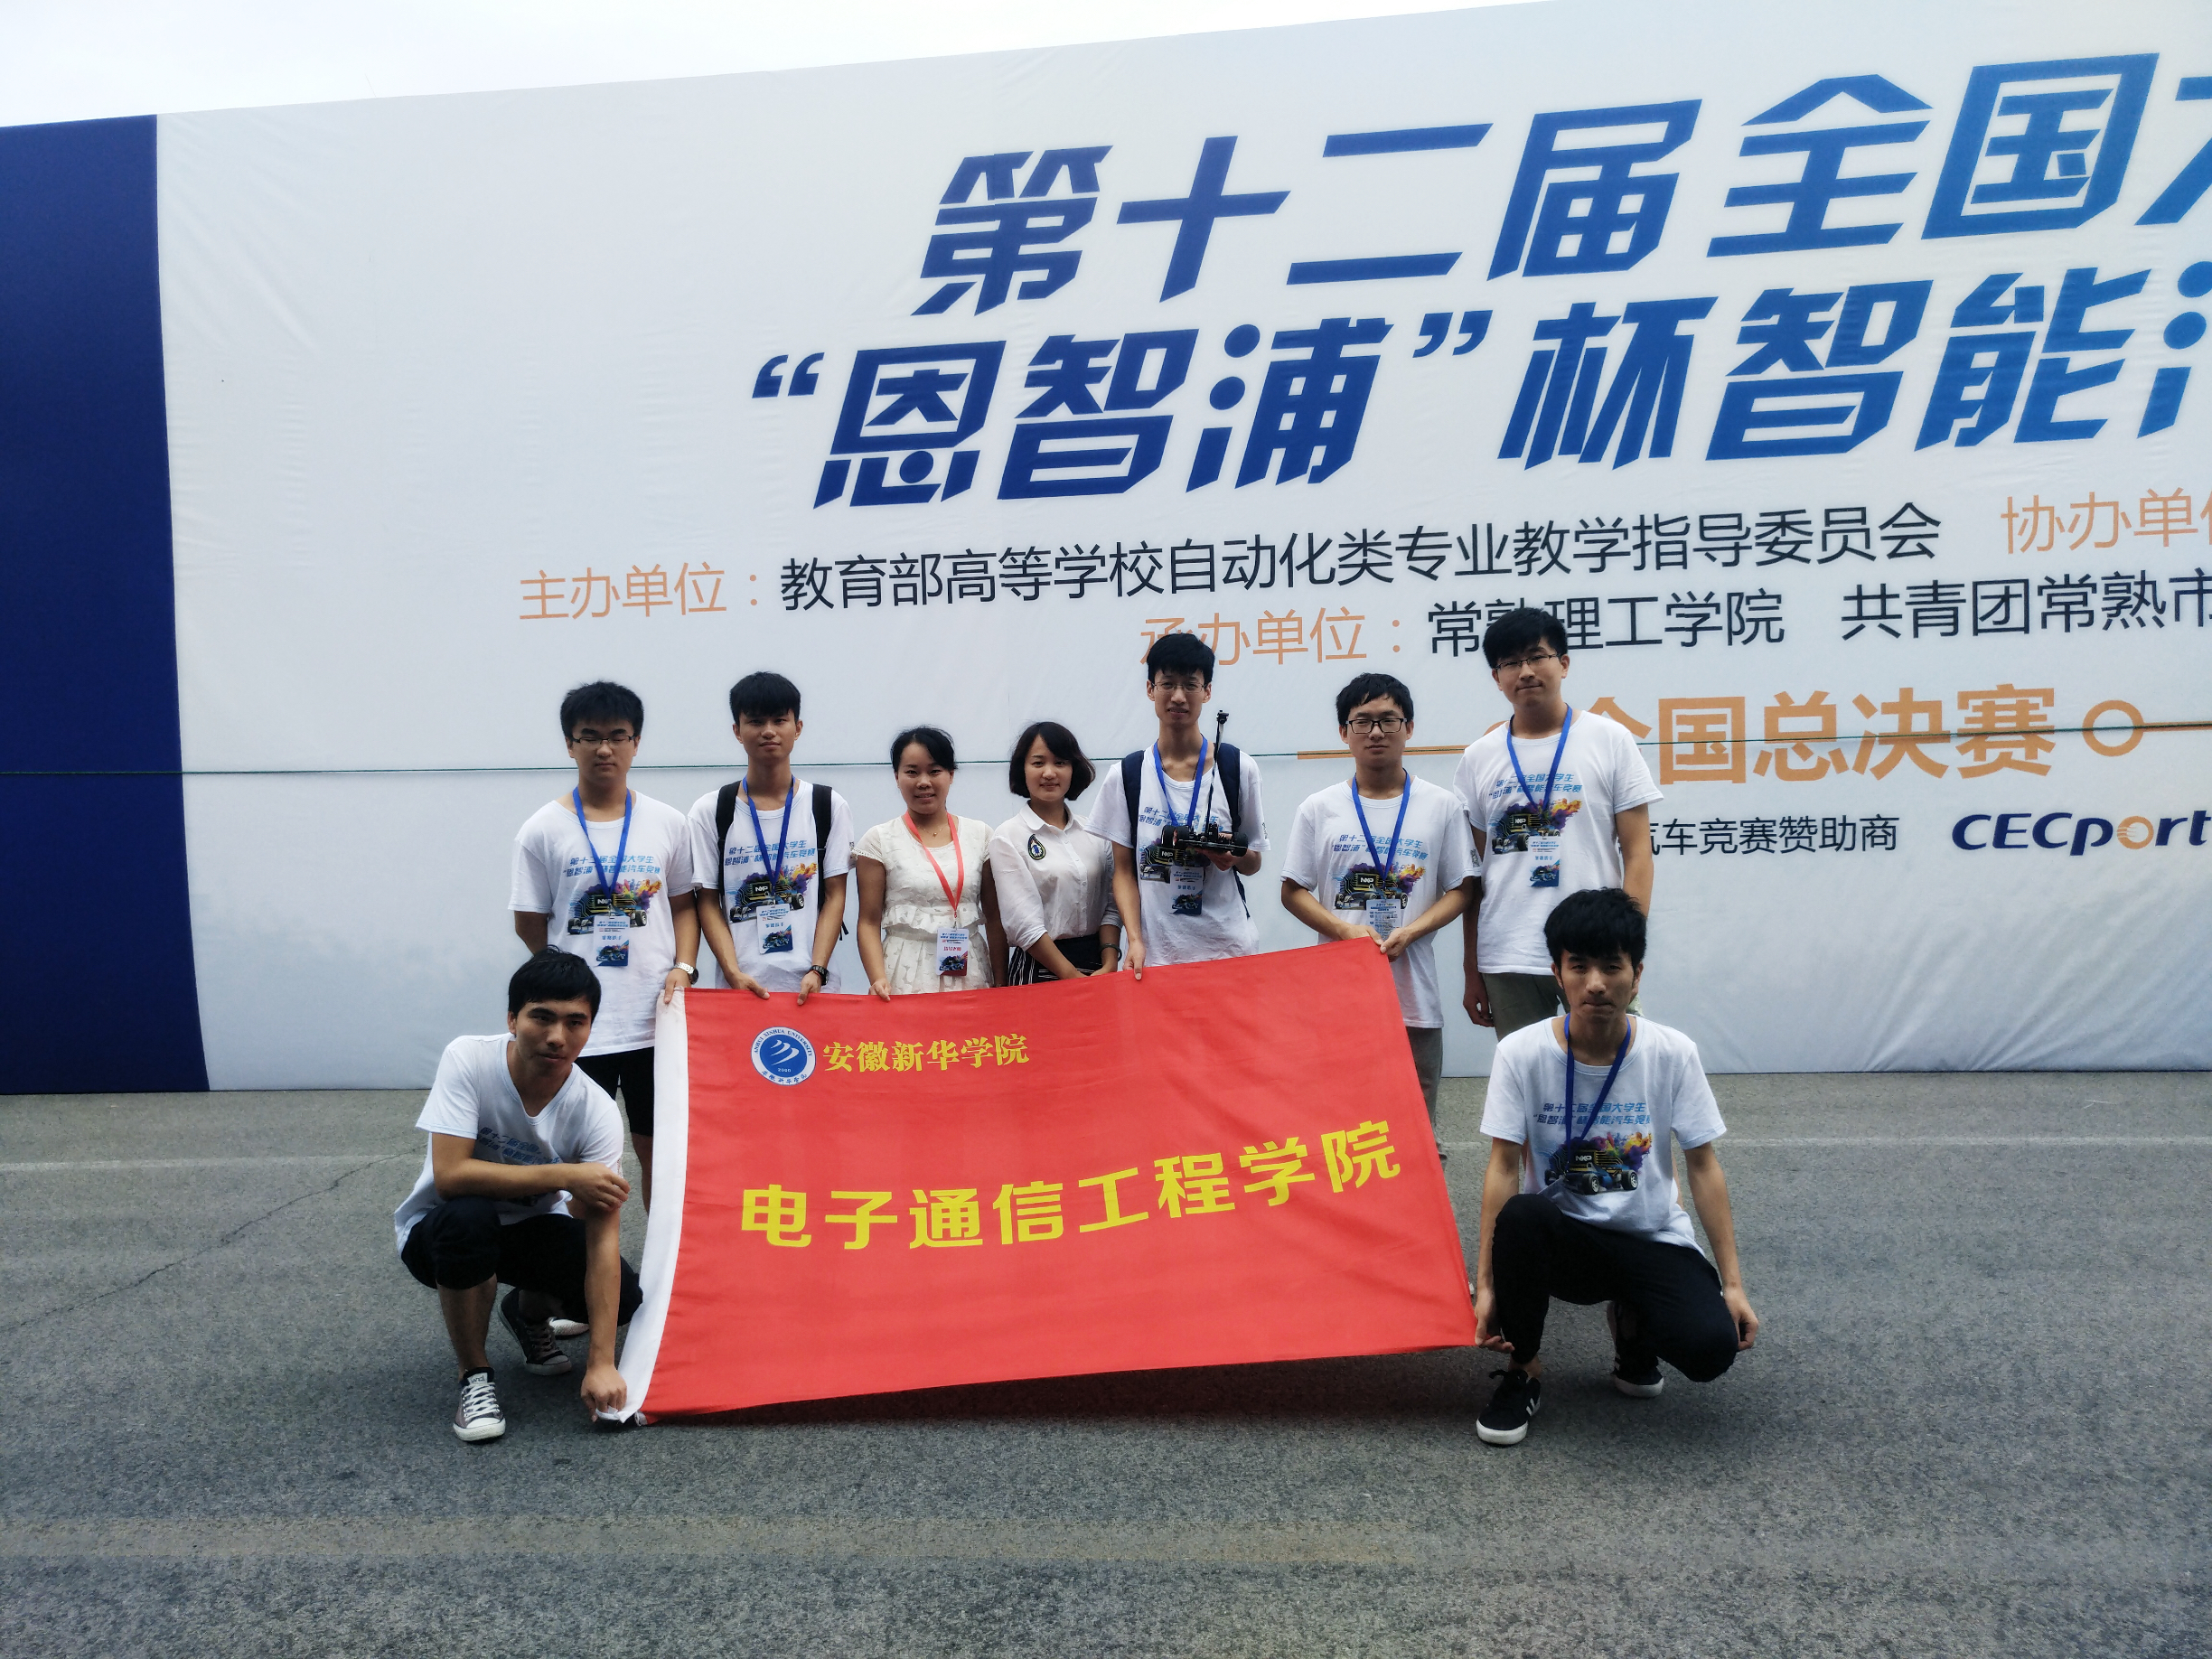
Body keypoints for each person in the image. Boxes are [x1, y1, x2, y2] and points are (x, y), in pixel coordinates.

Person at [1470, 888, 1758, 1447]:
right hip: (1566, 1242)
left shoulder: (1672, 1053)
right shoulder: (1522, 1053)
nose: (1596, 983)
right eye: (1579, 966)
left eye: (1612, 966)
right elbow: (1503, 1167)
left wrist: (1733, 1285)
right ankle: (1523, 1369)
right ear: (1557, 974)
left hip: (1650, 1237)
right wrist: (1486, 1285)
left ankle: (1633, 1327)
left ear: (1637, 975)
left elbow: (1703, 1166)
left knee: (1710, 1349)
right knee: (1524, 1216)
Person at [393, 950, 642, 1442]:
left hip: (528, 1232)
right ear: (512, 1019)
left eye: (575, 1022)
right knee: (469, 1218)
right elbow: (450, 1175)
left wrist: (601, 1363)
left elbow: (601, 1240)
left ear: (590, 1028)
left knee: (627, 1298)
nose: (557, 1036)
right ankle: (474, 1376)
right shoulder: (469, 1058)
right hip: (440, 1233)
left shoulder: (596, 1111)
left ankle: (528, 1312)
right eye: (541, 1018)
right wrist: (566, 1173)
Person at [510, 680, 694, 1211]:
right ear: (570, 745)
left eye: (618, 736)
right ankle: (575, 1254)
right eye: (589, 736)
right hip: (577, 1026)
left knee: (659, 1148)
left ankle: (662, 1255)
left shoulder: (668, 822)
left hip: (654, 1018)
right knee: (580, 1154)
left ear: (636, 743)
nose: (604, 749)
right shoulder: (542, 830)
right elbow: (529, 922)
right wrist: (567, 977)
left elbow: (684, 906)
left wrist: (683, 966)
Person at [1279, 673, 1476, 1132]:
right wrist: (1345, 932)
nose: (1375, 732)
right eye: (1362, 721)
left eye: (1388, 720)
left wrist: (1414, 930)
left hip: (1415, 994)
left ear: (1409, 729)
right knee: (1341, 1118)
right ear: (1343, 732)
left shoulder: (1441, 806)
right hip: (1341, 994)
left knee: (1417, 1118)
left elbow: (1462, 889)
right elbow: (1292, 890)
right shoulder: (1319, 808)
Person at [1453, 607, 1658, 1038]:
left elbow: (1639, 853)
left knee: (1616, 1065)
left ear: (1563, 663)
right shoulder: (1479, 757)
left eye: (1537, 656)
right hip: (1508, 952)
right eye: (1511, 662)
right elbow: (1473, 876)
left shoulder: (1610, 740)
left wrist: (1628, 947)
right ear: (1496, 677)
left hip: (1595, 951)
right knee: (1528, 1072)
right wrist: (1472, 967)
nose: (1525, 671)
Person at [1086, 633, 1267, 978]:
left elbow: (1254, 862)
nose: (1179, 696)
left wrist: (1233, 855)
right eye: (1167, 684)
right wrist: (1134, 940)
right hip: (1157, 959)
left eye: (1190, 685)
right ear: (1150, 689)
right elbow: (1123, 872)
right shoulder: (1126, 775)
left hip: (1229, 954)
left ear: (1207, 691)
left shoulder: (1238, 768)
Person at [687, 670, 855, 1006]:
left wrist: (818, 969)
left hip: (815, 990)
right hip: (740, 990)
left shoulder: (827, 805)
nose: (768, 731)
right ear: (737, 731)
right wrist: (732, 972)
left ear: (798, 727)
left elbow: (835, 895)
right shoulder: (711, 811)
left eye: (780, 720)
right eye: (755, 721)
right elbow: (707, 901)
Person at [854, 726, 997, 996]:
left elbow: (995, 919)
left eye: (934, 771)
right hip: (903, 974)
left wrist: (1002, 982)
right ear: (896, 777)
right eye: (912, 772)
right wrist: (878, 979)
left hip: (971, 971)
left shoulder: (981, 835)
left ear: (951, 775)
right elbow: (868, 922)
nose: (923, 782)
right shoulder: (878, 840)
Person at [988, 721, 1122, 985]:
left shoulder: (1095, 833)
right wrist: (1072, 977)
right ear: (1022, 769)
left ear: (1073, 769)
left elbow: (1112, 904)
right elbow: (1023, 925)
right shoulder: (1008, 836)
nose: (1049, 773)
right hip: (1039, 969)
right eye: (1038, 763)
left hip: (1099, 967)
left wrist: (1110, 961)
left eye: (1060, 763)